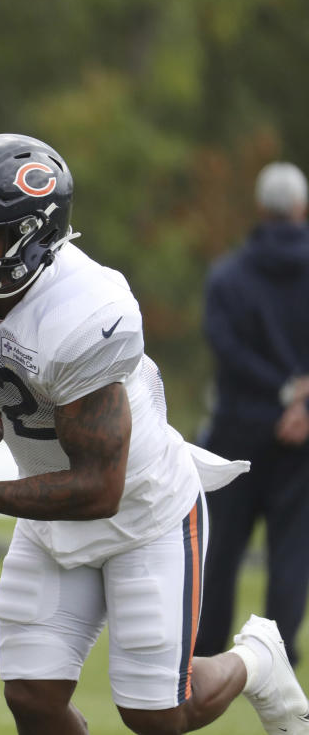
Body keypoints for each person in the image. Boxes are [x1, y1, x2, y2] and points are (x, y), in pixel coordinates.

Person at [0, 133, 309, 734]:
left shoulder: (87, 312)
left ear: (34, 240)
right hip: (49, 504)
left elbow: (100, 487)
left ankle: (257, 660)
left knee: (157, 716)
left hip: (141, 512)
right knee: (32, 697)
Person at [194, 161, 309, 668]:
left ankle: (207, 653)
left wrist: (281, 390)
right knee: (292, 549)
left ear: (262, 209)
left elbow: (226, 348)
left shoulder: (228, 275)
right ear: (302, 209)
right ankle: (275, 658)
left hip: (238, 426)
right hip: (302, 433)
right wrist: (301, 401)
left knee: (222, 550)